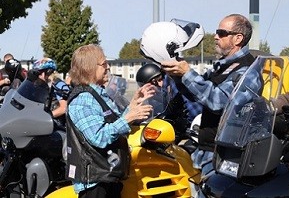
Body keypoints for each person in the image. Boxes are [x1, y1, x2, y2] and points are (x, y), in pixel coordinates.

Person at [160, 14, 262, 187]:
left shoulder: (248, 71)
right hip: (207, 150)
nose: (215, 37)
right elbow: (197, 93)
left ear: (238, 38)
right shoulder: (223, 66)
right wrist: (178, 76)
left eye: (221, 33)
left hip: (226, 156)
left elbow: (220, 102)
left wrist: (187, 73)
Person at [66, 44, 154, 198]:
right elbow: (98, 137)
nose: (108, 67)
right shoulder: (83, 100)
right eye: (104, 64)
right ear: (89, 68)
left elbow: (112, 123)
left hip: (106, 177)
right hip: (95, 184)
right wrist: (128, 118)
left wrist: (133, 104)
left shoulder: (96, 94)